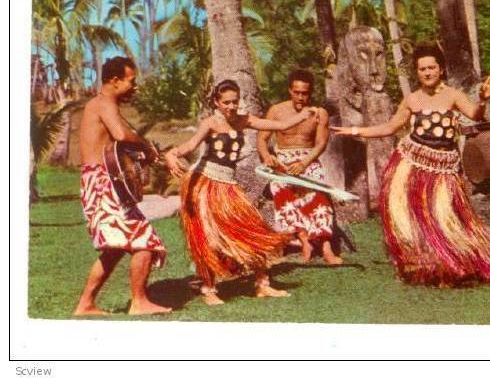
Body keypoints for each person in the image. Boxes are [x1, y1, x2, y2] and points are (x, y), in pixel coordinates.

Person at [332, 44, 490, 287]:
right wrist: (355, 130)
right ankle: (420, 265)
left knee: (444, 217)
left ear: (441, 69)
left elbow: (475, 114)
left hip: (444, 167)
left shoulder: (453, 95)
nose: (426, 72)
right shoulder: (412, 99)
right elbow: (390, 128)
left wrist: (483, 100)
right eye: (422, 69)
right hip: (412, 163)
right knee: (405, 215)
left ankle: (450, 265)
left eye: (431, 68)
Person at [164, 80, 317, 305]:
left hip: (228, 185)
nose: (231, 106)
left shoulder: (244, 120)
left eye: (235, 102)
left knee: (254, 229)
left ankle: (262, 285)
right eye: (226, 102)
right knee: (207, 238)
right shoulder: (210, 123)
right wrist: (171, 154)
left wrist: (303, 115)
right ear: (217, 102)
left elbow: (277, 126)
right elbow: (190, 146)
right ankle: (209, 289)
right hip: (205, 183)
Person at [74, 56, 171, 316]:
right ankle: (139, 302)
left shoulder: (99, 104)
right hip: (104, 184)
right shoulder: (104, 103)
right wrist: (146, 145)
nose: (135, 87)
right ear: (115, 81)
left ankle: (85, 304)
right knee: (145, 241)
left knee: (115, 247)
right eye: (131, 81)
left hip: (97, 182)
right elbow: (121, 135)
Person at [257, 69, 342, 265]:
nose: (301, 97)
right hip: (283, 161)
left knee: (318, 192)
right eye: (297, 92)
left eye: (305, 93)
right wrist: (267, 156)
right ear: (290, 91)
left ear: (310, 92)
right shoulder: (276, 111)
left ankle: (326, 246)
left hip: (308, 158)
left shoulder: (319, 113)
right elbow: (261, 139)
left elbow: (321, 143)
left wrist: (304, 163)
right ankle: (304, 240)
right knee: (281, 189)